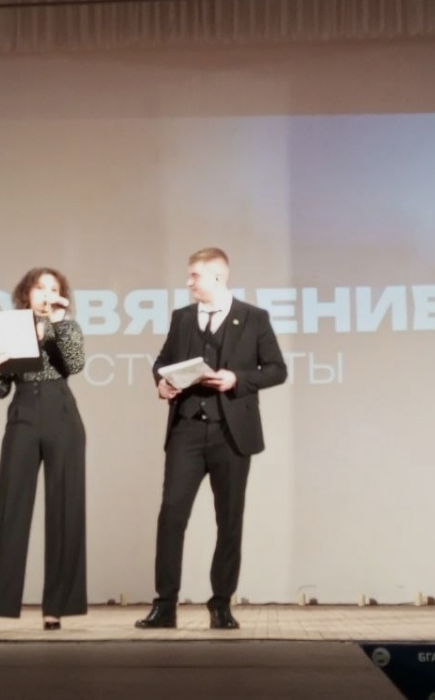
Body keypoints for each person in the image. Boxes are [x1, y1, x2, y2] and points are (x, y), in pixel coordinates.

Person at [135, 248, 287, 630]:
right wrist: (162, 383)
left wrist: (238, 379)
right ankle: (164, 605)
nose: (189, 282)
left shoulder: (253, 318)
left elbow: (276, 369)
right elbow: (162, 362)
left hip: (231, 434)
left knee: (229, 521)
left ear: (218, 277)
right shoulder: (182, 318)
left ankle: (221, 604)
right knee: (171, 515)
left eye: (195, 276)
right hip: (186, 429)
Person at [0, 267, 87, 632]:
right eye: (40, 288)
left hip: (61, 414)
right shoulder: (11, 328)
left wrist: (54, 326)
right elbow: (1, 390)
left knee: (65, 508)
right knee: (8, 507)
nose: (47, 294)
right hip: (23, 414)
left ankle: (56, 609)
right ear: (27, 293)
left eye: (54, 288)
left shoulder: (66, 327)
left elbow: (75, 364)